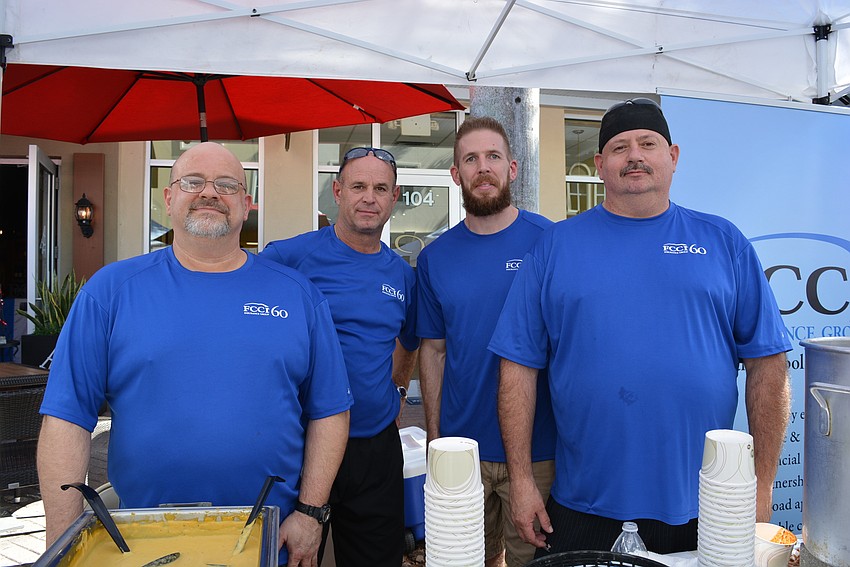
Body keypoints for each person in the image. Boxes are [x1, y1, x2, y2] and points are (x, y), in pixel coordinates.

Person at [490, 99, 792, 556]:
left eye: (648, 144)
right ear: (599, 165)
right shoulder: (556, 246)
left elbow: (768, 365)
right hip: (583, 504)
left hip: (708, 504)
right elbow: (517, 367)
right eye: (619, 147)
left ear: (672, 156)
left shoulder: (723, 242)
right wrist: (522, 480)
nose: (634, 155)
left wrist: (762, 484)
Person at [37, 142, 352, 567]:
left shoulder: (298, 295)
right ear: (168, 199)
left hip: (268, 538)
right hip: (140, 540)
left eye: (226, 184)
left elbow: (330, 410)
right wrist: (61, 546)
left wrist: (311, 513)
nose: (209, 193)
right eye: (193, 182)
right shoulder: (110, 292)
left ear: (246, 204)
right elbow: (66, 419)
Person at [260, 147, 418, 567]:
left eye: (380, 188)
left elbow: (409, 340)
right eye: (358, 186)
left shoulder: (402, 274)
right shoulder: (288, 259)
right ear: (337, 191)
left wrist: (399, 390)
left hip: (375, 448)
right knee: (294, 556)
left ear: (394, 197)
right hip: (302, 442)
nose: (369, 198)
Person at [416, 116, 556, 567]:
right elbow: (434, 352)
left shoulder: (549, 241)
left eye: (493, 156)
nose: (483, 168)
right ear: (456, 174)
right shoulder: (435, 258)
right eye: (470, 159)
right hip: (462, 450)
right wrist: (436, 439)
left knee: (533, 562)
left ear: (512, 168)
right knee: (463, 560)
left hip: (538, 452)